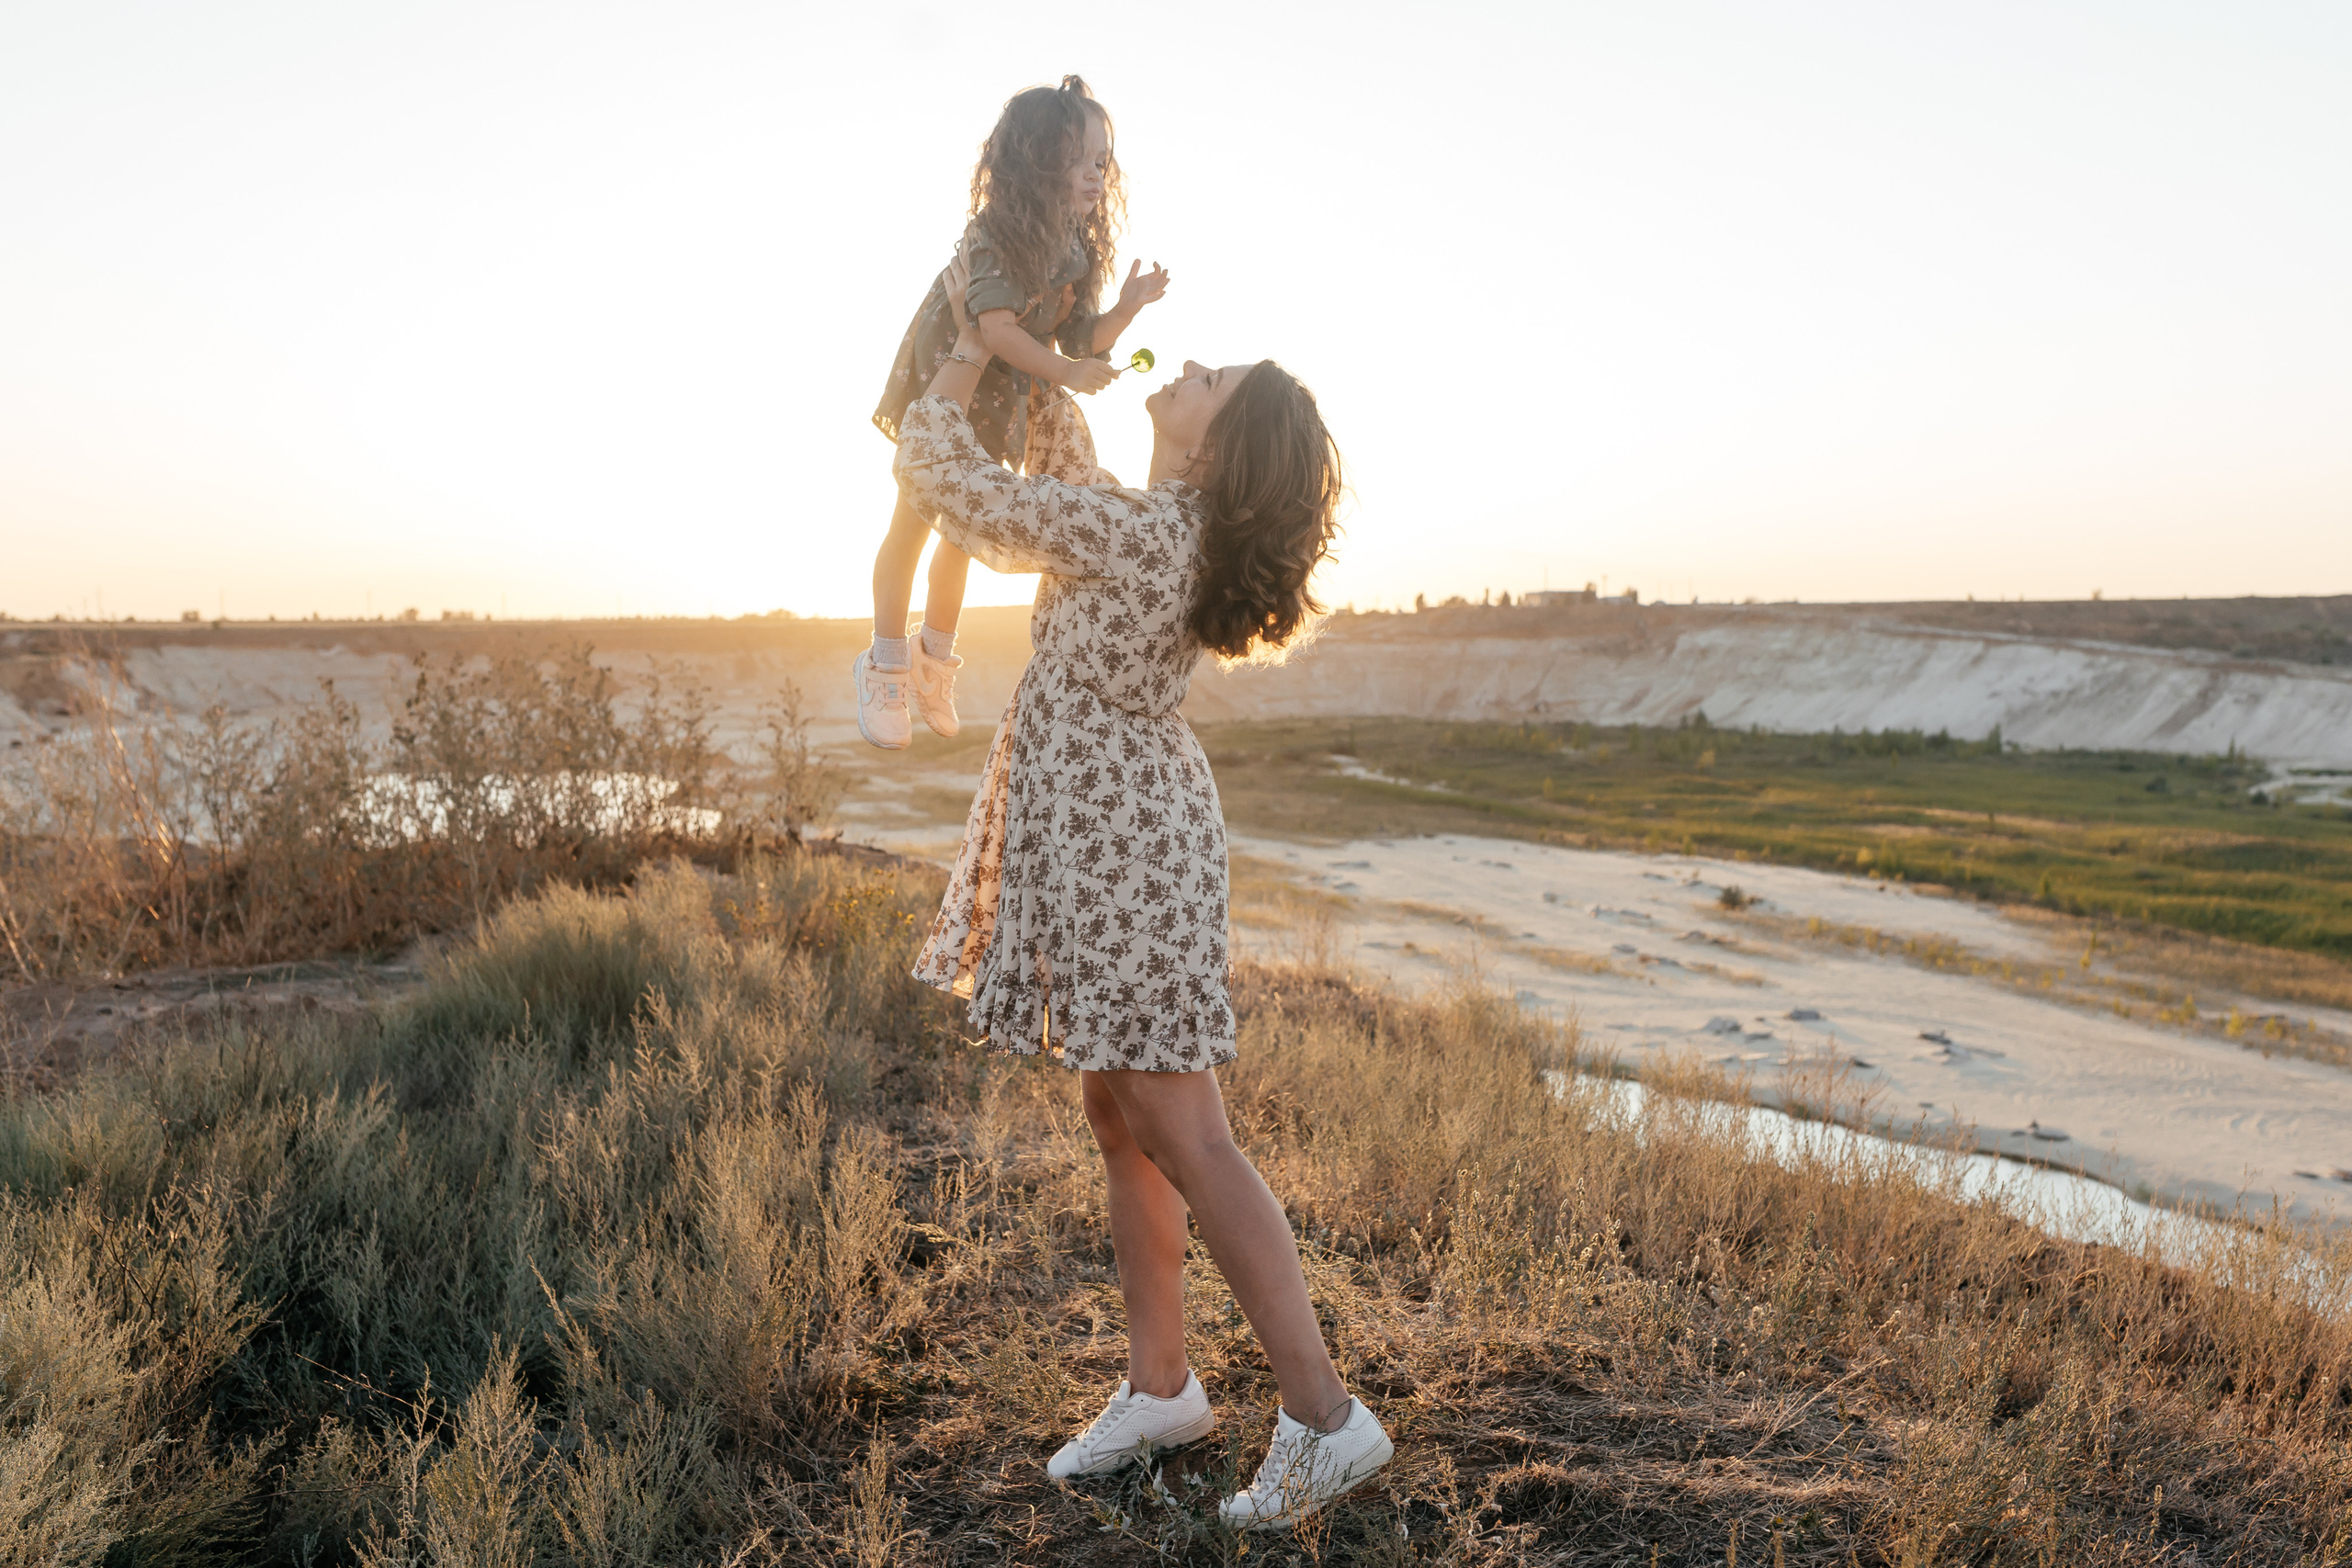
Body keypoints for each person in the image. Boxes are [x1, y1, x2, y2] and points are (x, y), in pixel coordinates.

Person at [891, 255, 1392, 1529]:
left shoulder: (1145, 532)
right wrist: (1057, 345)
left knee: (1190, 1132)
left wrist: (958, 351)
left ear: (1219, 456)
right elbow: (1066, 458)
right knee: (1123, 1115)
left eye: (1211, 383)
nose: (1195, 370)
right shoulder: (1151, 519)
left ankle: (1326, 1417)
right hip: (1116, 843)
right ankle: (1163, 1387)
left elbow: (958, 489)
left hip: (1133, 854)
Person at [858, 74, 1170, 750]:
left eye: (1101, 161)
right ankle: (884, 662)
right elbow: (996, 330)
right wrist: (1065, 372)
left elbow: (1078, 336)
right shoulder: (996, 234)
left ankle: (932, 661)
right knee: (909, 528)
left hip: (1002, 409)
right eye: (1080, 158)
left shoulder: (1075, 246)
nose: (1095, 174)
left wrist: (1124, 309)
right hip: (948, 393)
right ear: (1036, 161)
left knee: (961, 539)